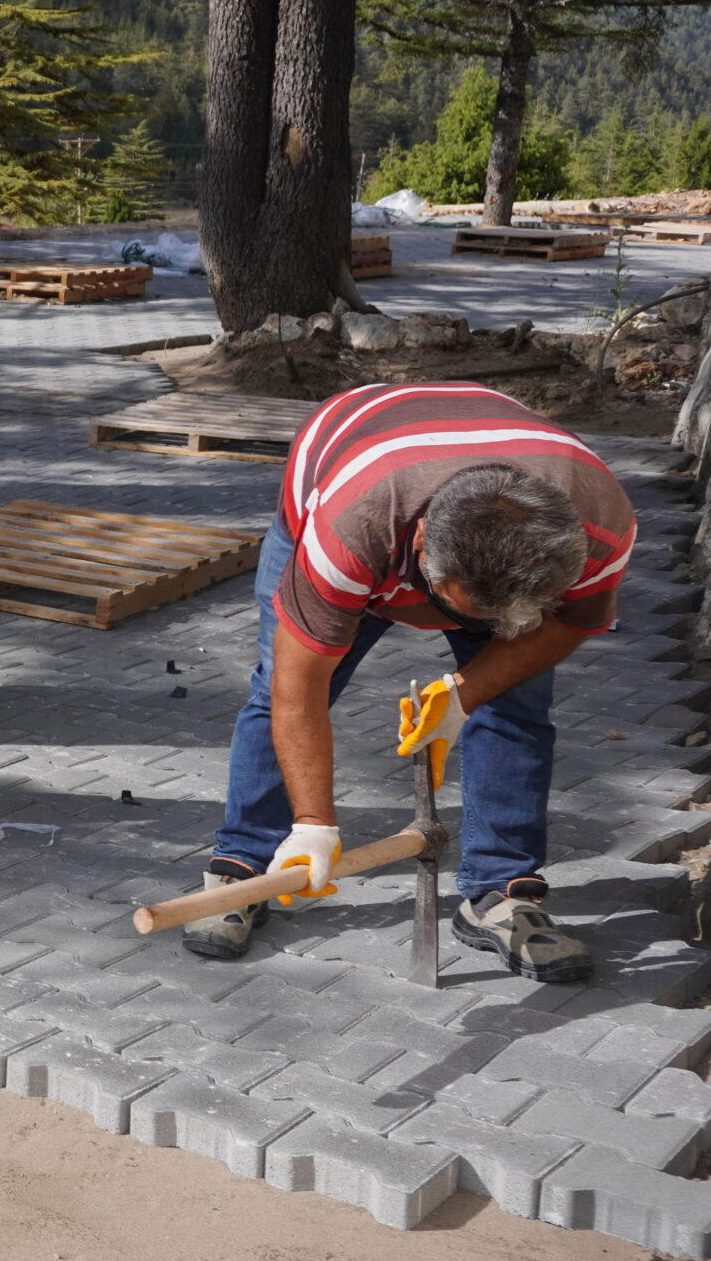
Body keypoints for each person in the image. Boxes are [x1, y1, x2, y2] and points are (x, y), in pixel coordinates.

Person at [188, 382, 636, 980]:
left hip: (479, 522)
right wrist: (315, 825)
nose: (483, 630)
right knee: (275, 686)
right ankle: (244, 864)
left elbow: (571, 624)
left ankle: (503, 894)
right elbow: (298, 691)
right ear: (422, 541)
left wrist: (467, 693)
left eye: (503, 618)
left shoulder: (598, 524)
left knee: (517, 707)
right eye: (465, 609)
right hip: (347, 470)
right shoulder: (350, 531)